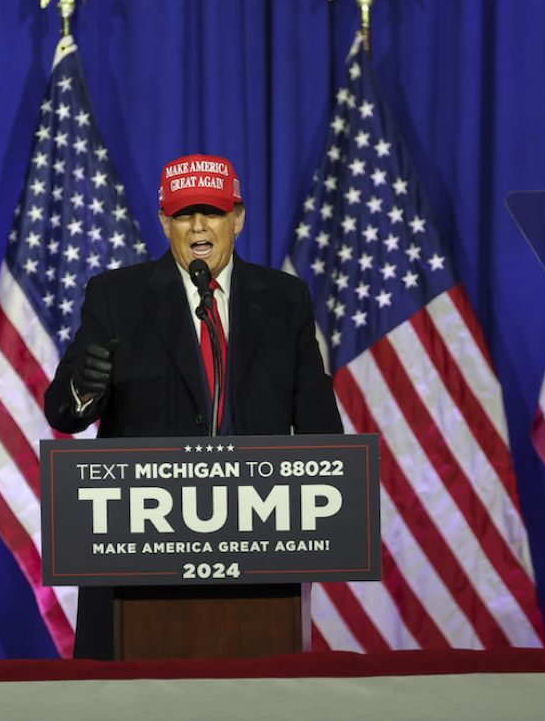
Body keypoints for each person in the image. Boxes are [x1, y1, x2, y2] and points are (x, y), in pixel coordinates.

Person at [42, 153, 343, 659]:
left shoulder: (284, 299)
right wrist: (85, 388)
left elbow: (320, 430)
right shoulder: (117, 296)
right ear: (165, 222)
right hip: (138, 566)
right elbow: (63, 413)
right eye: (184, 214)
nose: (199, 225)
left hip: (255, 557)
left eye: (213, 212)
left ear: (238, 218)